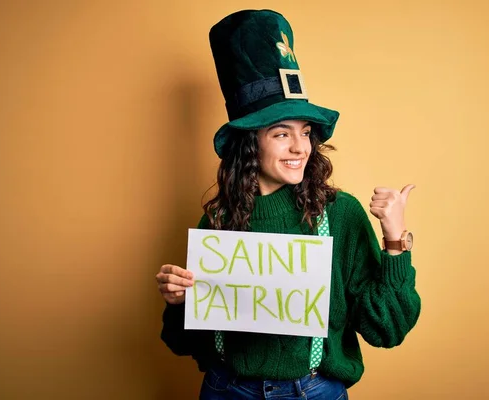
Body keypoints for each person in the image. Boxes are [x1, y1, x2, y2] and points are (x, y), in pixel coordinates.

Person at [155, 9, 421, 400]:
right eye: (282, 133)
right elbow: (185, 342)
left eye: (306, 132)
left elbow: (388, 329)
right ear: (250, 143)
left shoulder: (339, 214)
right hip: (226, 389)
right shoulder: (220, 219)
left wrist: (395, 239)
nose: (301, 147)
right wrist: (179, 300)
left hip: (312, 391)